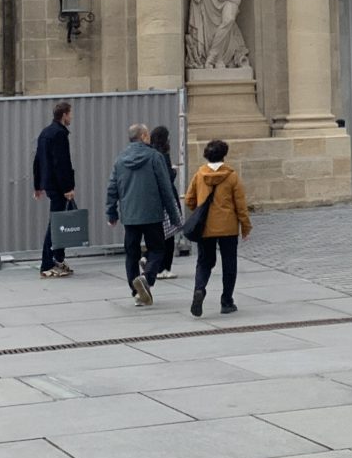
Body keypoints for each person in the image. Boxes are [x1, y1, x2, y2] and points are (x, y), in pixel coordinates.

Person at [104, 123, 179, 305]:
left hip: (130, 215)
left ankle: (136, 292)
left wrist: (111, 213)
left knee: (132, 253)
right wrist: (174, 215)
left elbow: (112, 187)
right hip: (152, 213)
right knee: (157, 249)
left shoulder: (120, 159)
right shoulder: (155, 157)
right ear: (145, 136)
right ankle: (146, 280)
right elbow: (165, 188)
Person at [183, 138, 251, 317]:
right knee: (229, 264)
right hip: (228, 227)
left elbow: (189, 199)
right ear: (224, 155)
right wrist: (245, 226)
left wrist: (200, 210)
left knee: (204, 262)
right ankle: (226, 301)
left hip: (205, 227)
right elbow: (240, 205)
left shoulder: (200, 175)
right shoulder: (232, 176)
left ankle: (199, 289)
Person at [32, 100, 76, 279]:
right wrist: (67, 188)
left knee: (59, 222)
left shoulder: (45, 133)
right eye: (70, 114)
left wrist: (38, 185)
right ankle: (47, 263)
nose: (71, 117)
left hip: (49, 183)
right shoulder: (59, 134)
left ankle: (58, 258)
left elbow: (37, 160)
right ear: (64, 114)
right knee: (56, 224)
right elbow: (61, 163)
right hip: (58, 186)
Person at [148, 125, 185, 278]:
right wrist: (174, 171)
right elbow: (167, 178)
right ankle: (164, 268)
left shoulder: (150, 153)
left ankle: (150, 261)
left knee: (157, 234)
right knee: (169, 234)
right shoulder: (163, 155)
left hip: (153, 200)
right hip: (166, 199)